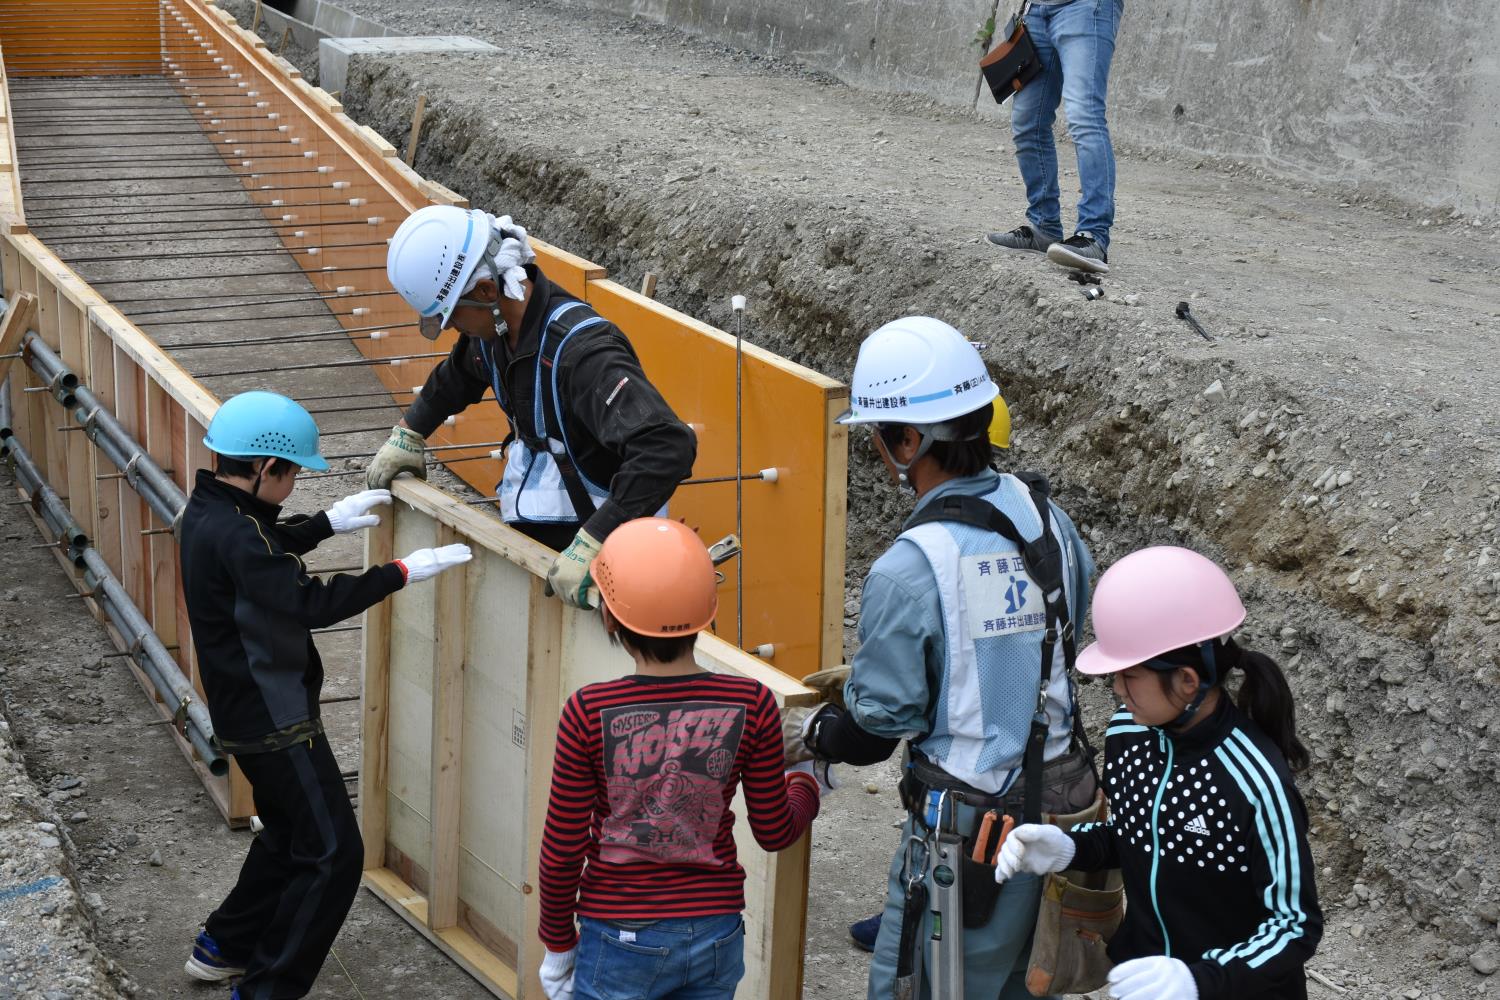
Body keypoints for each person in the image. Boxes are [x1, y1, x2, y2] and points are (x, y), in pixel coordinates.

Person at [783, 316, 1098, 999]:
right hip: (1062, 813)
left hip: (968, 832)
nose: (877, 450)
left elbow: (875, 734)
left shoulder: (910, 568)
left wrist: (815, 733)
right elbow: (1051, 628)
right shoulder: (1049, 517)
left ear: (909, 439)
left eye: (878, 437)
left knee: (922, 985)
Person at [178, 391, 472, 999]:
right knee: (335, 854)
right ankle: (266, 990)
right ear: (265, 468)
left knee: (291, 834)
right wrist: (400, 572)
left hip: (248, 711)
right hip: (274, 720)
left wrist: (323, 524)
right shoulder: (237, 535)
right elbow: (308, 602)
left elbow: (262, 556)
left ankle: (224, 945)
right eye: (291, 476)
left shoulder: (212, 512)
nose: (293, 487)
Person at [994, 546, 1323, 1000]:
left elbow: (1294, 924)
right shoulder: (1127, 733)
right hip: (1146, 985)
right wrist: (1073, 847)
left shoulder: (1255, 780)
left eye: (1129, 675)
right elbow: (1136, 835)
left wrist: (1199, 980)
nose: (1115, 689)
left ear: (1188, 681)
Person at [534, 517, 824, 1000]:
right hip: (717, 932)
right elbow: (774, 831)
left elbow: (562, 850)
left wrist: (558, 943)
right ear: (706, 613)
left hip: (621, 933)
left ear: (609, 616)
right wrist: (807, 784)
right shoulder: (752, 702)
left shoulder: (588, 711)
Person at [370, 205, 697, 609]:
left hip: (608, 555)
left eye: (452, 316)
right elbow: (459, 373)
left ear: (488, 291)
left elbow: (666, 446)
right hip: (546, 538)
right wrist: (411, 430)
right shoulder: (495, 330)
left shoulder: (582, 355)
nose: (453, 328)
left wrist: (594, 541)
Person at [986, 0, 1125, 274]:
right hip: (1037, 10)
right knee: (1027, 122)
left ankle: (1093, 235)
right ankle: (1044, 227)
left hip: (1086, 8)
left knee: (1085, 116)